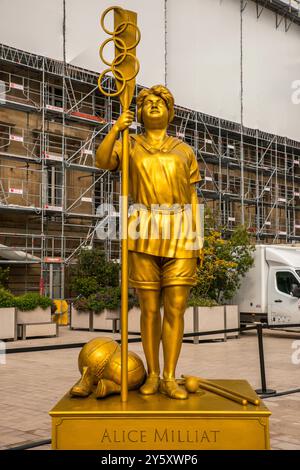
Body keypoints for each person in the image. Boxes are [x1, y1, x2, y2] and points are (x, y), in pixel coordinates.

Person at [96, 85, 202, 399]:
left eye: (160, 102)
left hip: (182, 229)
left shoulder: (184, 149)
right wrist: (116, 128)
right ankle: (153, 375)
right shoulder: (130, 144)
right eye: (148, 103)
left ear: (170, 112)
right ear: (139, 113)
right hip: (142, 226)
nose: (154, 105)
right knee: (149, 309)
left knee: (176, 308)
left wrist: (199, 239)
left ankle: (170, 376)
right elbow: (103, 160)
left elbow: (194, 195)